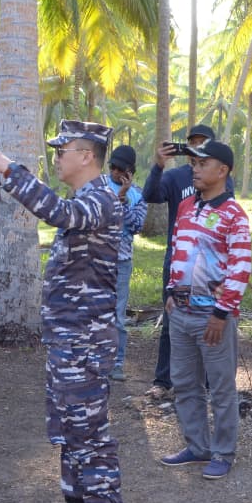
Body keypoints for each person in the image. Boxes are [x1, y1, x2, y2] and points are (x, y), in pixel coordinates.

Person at [0, 120, 126, 503]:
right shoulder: (86, 199)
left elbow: (58, 214)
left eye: (63, 150)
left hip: (86, 343)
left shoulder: (100, 199)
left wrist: (9, 169)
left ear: (87, 156)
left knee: (90, 435)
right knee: (68, 430)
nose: (57, 157)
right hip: (67, 340)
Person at [158, 141, 252, 481]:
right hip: (180, 313)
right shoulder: (186, 206)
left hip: (212, 318)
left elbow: (240, 267)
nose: (194, 169)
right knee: (185, 383)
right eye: (193, 163)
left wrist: (221, 314)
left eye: (202, 163)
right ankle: (197, 446)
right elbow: (177, 250)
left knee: (221, 388)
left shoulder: (234, 214)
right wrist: (171, 292)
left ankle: (223, 452)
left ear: (222, 170)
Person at [142, 124, 233, 398]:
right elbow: (150, 195)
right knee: (172, 322)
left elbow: (227, 212)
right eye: (193, 143)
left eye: (203, 143)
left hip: (210, 267)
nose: (197, 148)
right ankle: (163, 380)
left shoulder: (220, 178)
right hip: (178, 264)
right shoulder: (175, 177)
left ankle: (208, 383)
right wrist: (158, 165)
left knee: (208, 322)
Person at [108, 144, 148, 381]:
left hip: (122, 262)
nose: (115, 172)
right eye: (112, 167)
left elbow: (136, 226)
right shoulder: (98, 186)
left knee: (118, 317)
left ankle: (117, 363)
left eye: (120, 169)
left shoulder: (138, 195)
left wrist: (123, 198)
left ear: (130, 171)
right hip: (97, 260)